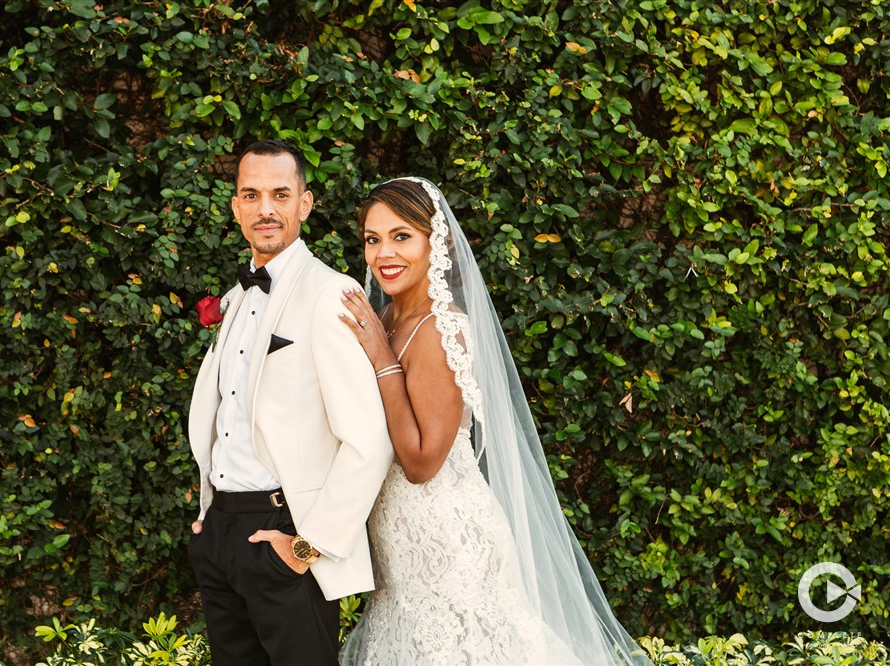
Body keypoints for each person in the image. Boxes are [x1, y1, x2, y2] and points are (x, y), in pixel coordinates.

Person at [338, 177, 653, 665]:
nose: (384, 253)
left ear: (434, 242)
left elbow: (422, 463)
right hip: (401, 554)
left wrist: (381, 358)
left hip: (448, 545)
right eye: (373, 238)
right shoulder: (386, 321)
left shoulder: (442, 330)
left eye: (402, 236)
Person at [186, 139, 394, 666]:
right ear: (235, 206)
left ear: (305, 203)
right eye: (251, 195)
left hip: (284, 535)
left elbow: (369, 440)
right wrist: (210, 517)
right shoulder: (233, 300)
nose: (266, 209)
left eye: (281, 194)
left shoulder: (330, 293)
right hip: (221, 534)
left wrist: (307, 547)